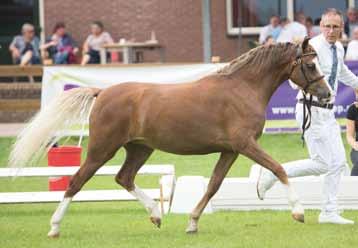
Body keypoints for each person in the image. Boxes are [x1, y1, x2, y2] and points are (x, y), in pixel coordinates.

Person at [257, 8, 358, 224]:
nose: (331, 31)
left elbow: (341, 73)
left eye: (336, 27)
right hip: (310, 109)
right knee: (321, 163)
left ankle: (329, 212)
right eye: (327, 26)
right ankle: (274, 173)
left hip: (328, 112)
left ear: (342, 28)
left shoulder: (338, 48)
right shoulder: (312, 48)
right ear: (320, 26)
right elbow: (295, 80)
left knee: (339, 163)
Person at [346, 89, 358, 176]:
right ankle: (353, 188)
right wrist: (355, 145)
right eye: (357, 92)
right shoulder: (353, 109)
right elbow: (349, 136)